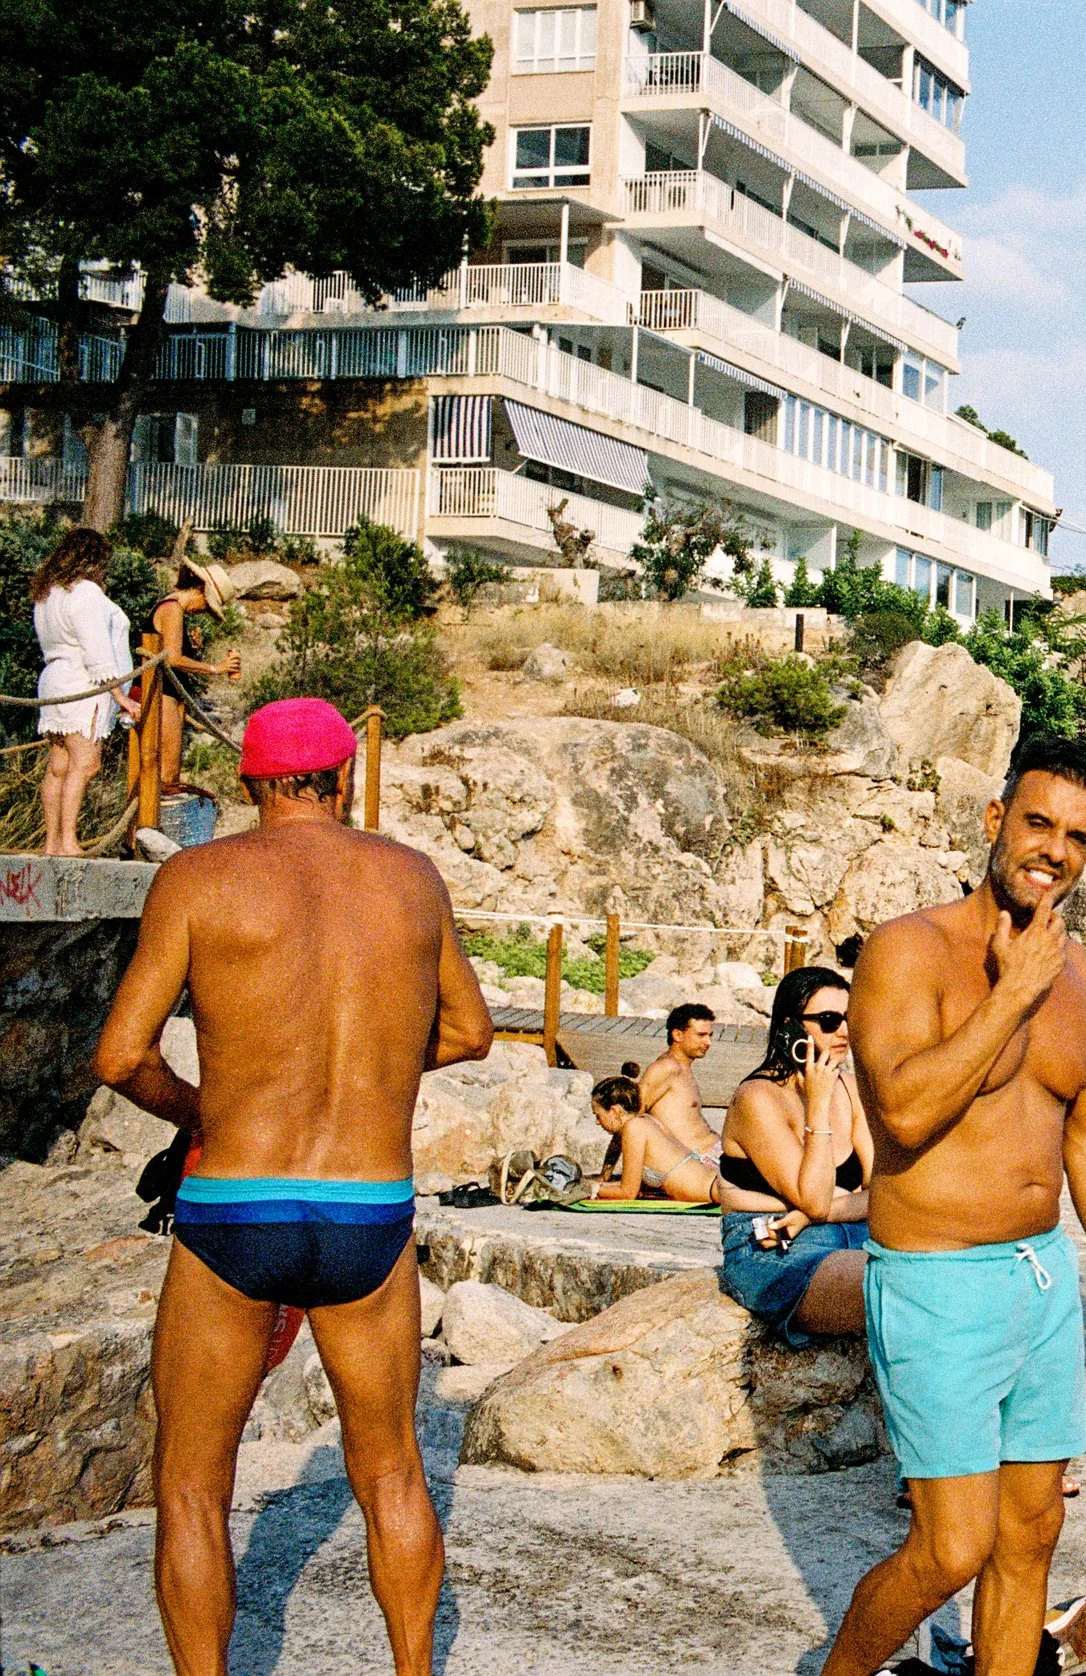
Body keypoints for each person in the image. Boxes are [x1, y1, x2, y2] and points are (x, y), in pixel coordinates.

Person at [90, 696, 496, 1675]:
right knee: (394, 1469)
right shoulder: (410, 878)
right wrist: (373, 1079)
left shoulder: (200, 876)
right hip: (367, 1210)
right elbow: (472, 1031)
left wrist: (198, 1109)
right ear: (344, 778)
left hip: (237, 1203)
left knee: (191, 1482)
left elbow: (119, 1055)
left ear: (247, 782)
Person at [819, 734, 1086, 1676]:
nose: (1056, 850)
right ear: (995, 821)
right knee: (951, 1547)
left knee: (1030, 1535)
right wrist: (1010, 995)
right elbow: (906, 1113)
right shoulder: (908, 950)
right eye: (1039, 823)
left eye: (1079, 836)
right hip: (936, 1282)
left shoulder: (1081, 977)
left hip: (1040, 1279)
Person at [715, 966, 877, 1345]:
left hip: (844, 1230)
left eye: (850, 1018)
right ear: (791, 1027)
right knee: (897, 1284)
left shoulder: (849, 1088)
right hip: (773, 1247)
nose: (844, 1031)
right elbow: (816, 1198)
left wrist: (808, 1215)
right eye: (828, 1020)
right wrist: (817, 1107)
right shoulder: (757, 1098)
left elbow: (883, 1191)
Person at [30, 527, 141, 856]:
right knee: (85, 764)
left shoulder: (49, 593)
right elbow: (98, 652)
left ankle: (52, 843)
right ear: (93, 560)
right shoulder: (86, 593)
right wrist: (121, 698)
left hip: (54, 678)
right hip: (82, 683)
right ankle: (67, 841)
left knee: (59, 765)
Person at [588, 1075, 782, 1208]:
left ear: (614, 1111)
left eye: (598, 1115)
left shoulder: (634, 1129)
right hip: (720, 1183)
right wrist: (603, 1180)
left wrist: (592, 1188)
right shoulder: (646, 1122)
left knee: (798, 1206)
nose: (597, 1122)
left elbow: (628, 1191)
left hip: (719, 1189)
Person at [146, 558, 242, 796]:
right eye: (206, 605)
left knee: (169, 769)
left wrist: (193, 649)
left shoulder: (171, 608)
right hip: (162, 691)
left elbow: (167, 651)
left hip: (168, 691)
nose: (202, 611)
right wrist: (216, 668)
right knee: (167, 773)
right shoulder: (172, 609)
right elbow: (173, 659)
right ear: (199, 590)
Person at [637, 1001, 718, 1159]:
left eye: (709, 1035)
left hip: (713, 1152)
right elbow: (630, 1118)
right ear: (677, 1035)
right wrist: (607, 1174)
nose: (708, 1042)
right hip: (697, 1162)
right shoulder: (666, 1068)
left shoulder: (683, 1067)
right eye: (701, 1035)